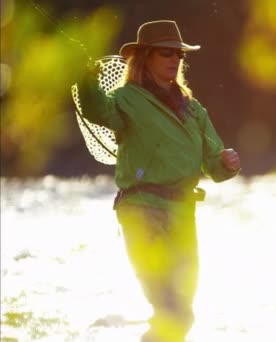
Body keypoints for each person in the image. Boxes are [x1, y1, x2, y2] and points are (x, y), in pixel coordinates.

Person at [77, 20, 241, 342]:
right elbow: (98, 111)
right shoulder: (126, 99)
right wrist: (85, 77)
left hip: (183, 214)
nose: (175, 59)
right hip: (141, 210)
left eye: (179, 54)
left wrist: (227, 163)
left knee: (182, 313)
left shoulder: (193, 110)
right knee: (170, 311)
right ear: (145, 57)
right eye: (166, 52)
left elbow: (214, 162)